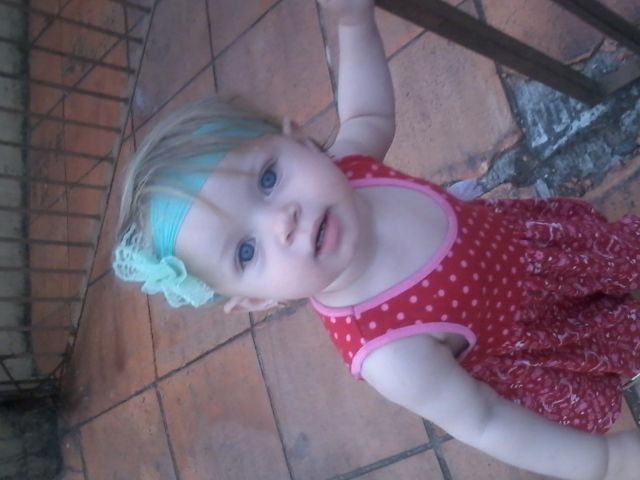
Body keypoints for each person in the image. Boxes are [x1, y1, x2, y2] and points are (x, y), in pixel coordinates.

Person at [112, 0, 640, 478]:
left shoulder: (349, 168)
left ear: (300, 142)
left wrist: (352, 20)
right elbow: (483, 419)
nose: (283, 221)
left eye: (268, 178)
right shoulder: (387, 349)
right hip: (539, 336)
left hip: (538, 254)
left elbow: (367, 112)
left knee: (616, 261)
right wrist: (605, 463)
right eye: (246, 251)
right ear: (256, 301)